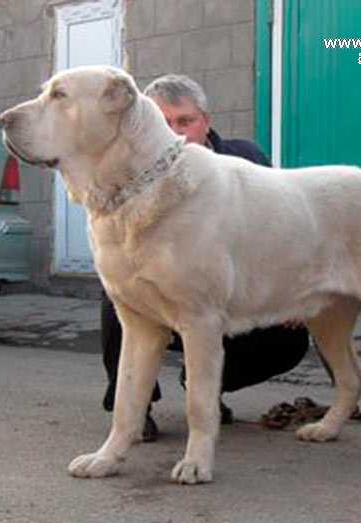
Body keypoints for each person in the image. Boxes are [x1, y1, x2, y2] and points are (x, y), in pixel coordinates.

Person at [101, 74, 309, 441]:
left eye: (186, 121)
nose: (177, 132)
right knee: (118, 295)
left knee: (289, 340)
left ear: (206, 121)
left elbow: (280, 228)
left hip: (225, 295)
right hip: (158, 293)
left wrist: (294, 289)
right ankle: (136, 409)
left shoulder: (246, 158)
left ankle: (205, 388)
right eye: (165, 123)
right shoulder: (130, 174)